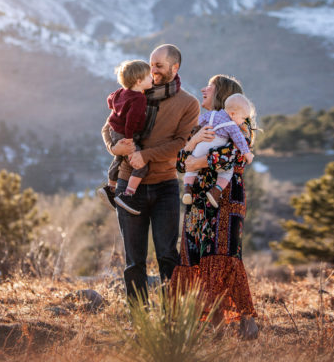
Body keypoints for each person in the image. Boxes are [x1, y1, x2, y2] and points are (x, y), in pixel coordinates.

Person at [101, 44, 199, 303]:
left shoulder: (188, 103)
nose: (152, 70)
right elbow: (107, 128)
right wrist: (114, 146)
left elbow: (181, 142)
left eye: (158, 65)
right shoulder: (133, 92)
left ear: (174, 68)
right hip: (127, 183)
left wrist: (145, 155)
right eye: (150, 64)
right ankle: (139, 322)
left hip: (165, 186)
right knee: (134, 260)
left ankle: (171, 321)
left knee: (168, 255)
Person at [172, 74, 259, 339]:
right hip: (197, 202)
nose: (203, 89)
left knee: (222, 255)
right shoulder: (200, 124)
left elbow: (234, 157)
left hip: (225, 200)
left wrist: (199, 161)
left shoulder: (237, 124)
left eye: (209, 87)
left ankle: (246, 322)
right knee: (195, 257)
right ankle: (211, 324)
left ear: (222, 94)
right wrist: (193, 144)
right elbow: (179, 164)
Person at [182, 93, 254, 207]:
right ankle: (215, 191)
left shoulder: (211, 115)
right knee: (226, 172)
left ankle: (187, 189)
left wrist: (193, 138)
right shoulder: (232, 124)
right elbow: (240, 141)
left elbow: (196, 122)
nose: (242, 121)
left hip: (201, 145)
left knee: (191, 169)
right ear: (233, 114)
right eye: (242, 118)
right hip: (215, 147)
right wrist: (248, 154)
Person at [102, 59, 154, 215]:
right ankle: (128, 195)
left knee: (118, 158)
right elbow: (131, 120)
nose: (152, 78)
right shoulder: (139, 98)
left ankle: (110, 188)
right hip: (125, 134)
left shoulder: (120, 92)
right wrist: (129, 138)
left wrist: (116, 108)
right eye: (149, 76)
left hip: (114, 131)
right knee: (140, 165)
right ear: (139, 81)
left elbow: (110, 99)